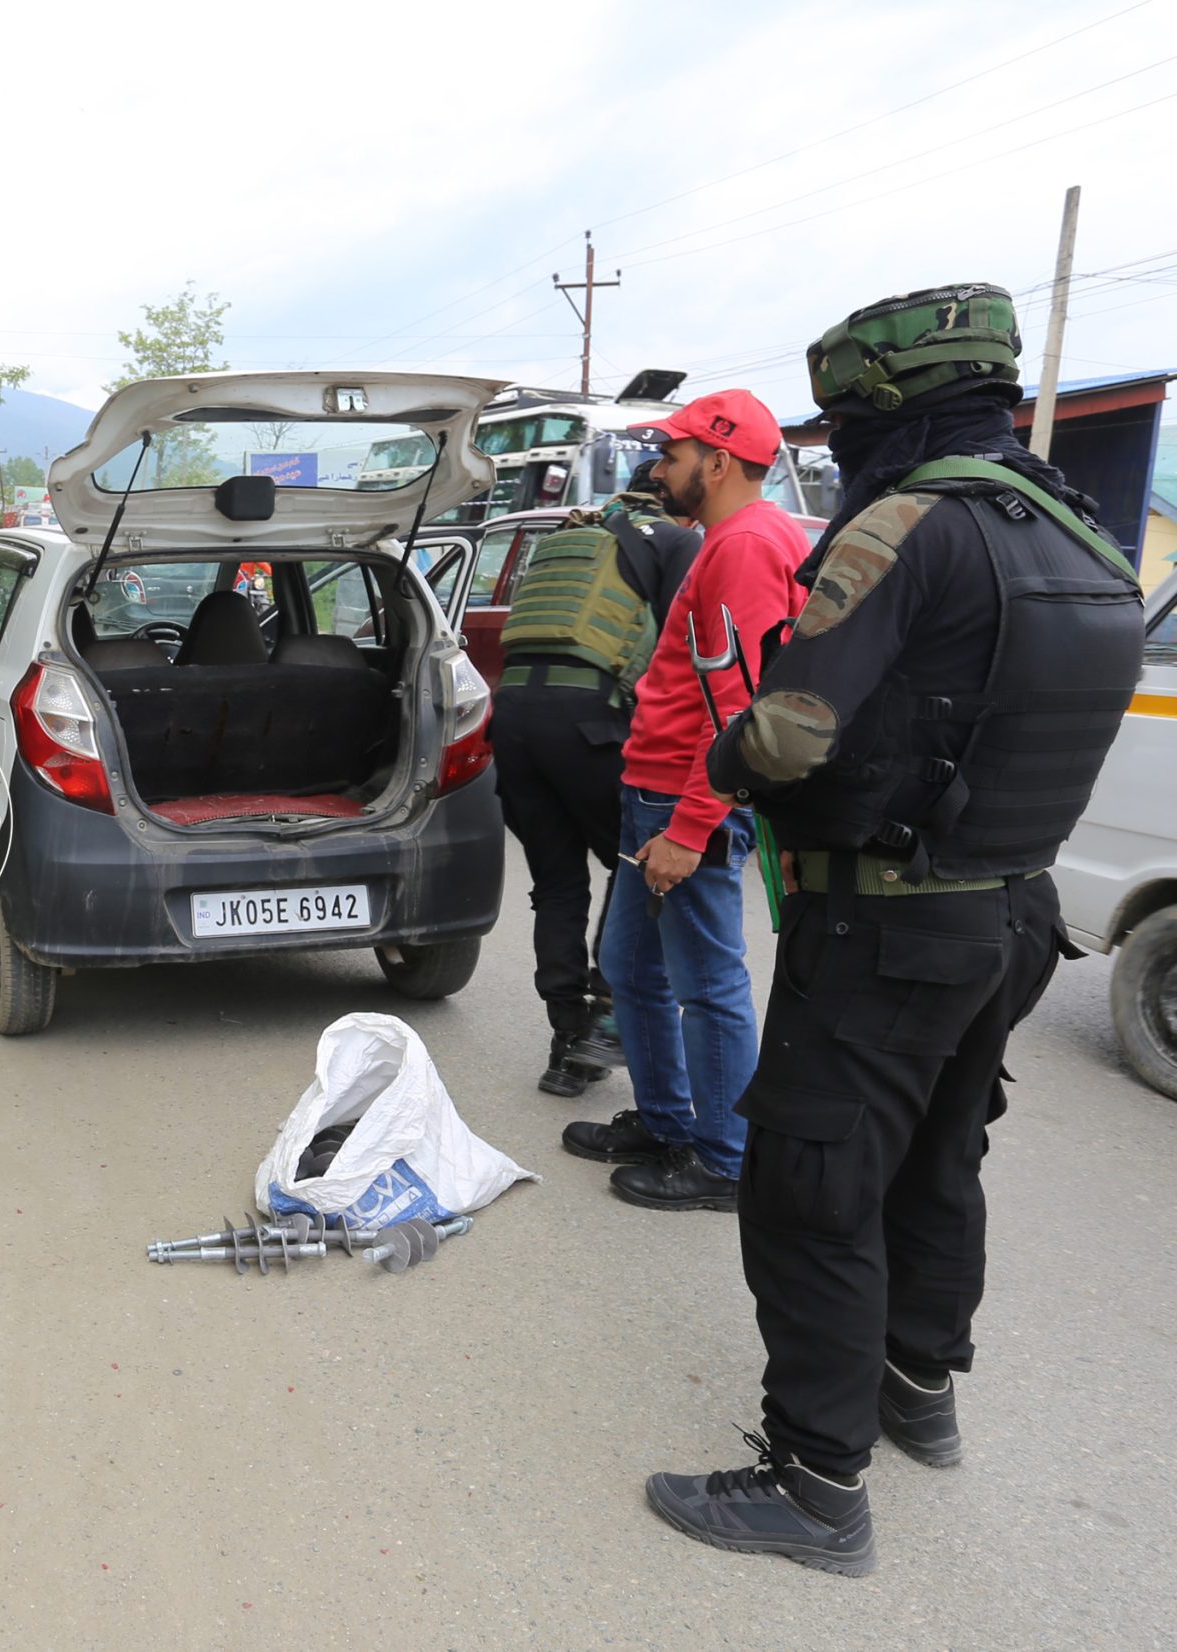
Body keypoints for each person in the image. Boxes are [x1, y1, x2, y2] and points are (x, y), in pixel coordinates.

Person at [646, 285, 1144, 1575]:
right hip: (1012, 912)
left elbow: (787, 731)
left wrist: (723, 765)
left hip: (884, 922)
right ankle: (917, 1392)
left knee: (811, 1186)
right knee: (937, 1158)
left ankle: (815, 1485)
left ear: (882, 407)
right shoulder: (1081, 531)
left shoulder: (905, 522)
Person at [560, 390, 806, 1212]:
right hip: (656, 793)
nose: (658, 470)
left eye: (672, 455)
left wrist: (694, 826)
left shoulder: (746, 546)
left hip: (683, 800)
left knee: (706, 982)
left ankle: (726, 1159)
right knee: (632, 968)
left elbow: (738, 709)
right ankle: (668, 1123)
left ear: (719, 461)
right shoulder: (728, 539)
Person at [489, 474, 700, 1095]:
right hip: (590, 725)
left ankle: (566, 1044)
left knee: (557, 885)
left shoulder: (569, 536)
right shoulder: (676, 541)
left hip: (513, 721)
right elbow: (682, 651)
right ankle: (607, 1019)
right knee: (640, 866)